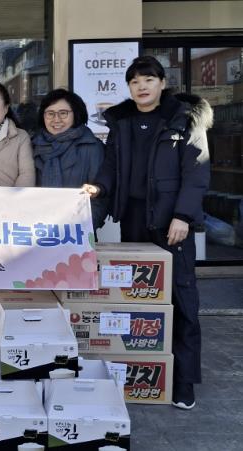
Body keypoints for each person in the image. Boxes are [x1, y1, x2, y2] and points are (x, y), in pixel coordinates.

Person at [82, 56, 212, 410]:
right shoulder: (122, 121)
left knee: (181, 299)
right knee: (137, 298)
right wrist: (99, 188)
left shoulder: (184, 119)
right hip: (134, 220)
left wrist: (183, 216)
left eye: (149, 79)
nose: (141, 86)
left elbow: (197, 172)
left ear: (162, 83)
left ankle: (183, 381)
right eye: (135, 81)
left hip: (172, 224)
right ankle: (144, 371)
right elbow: (111, 166)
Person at [32, 88, 107, 228]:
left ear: (75, 114)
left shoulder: (91, 147)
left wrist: (83, 228)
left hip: (78, 232)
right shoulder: (33, 145)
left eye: (63, 113)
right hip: (37, 231)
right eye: (50, 114)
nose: (56, 119)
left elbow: (100, 197)